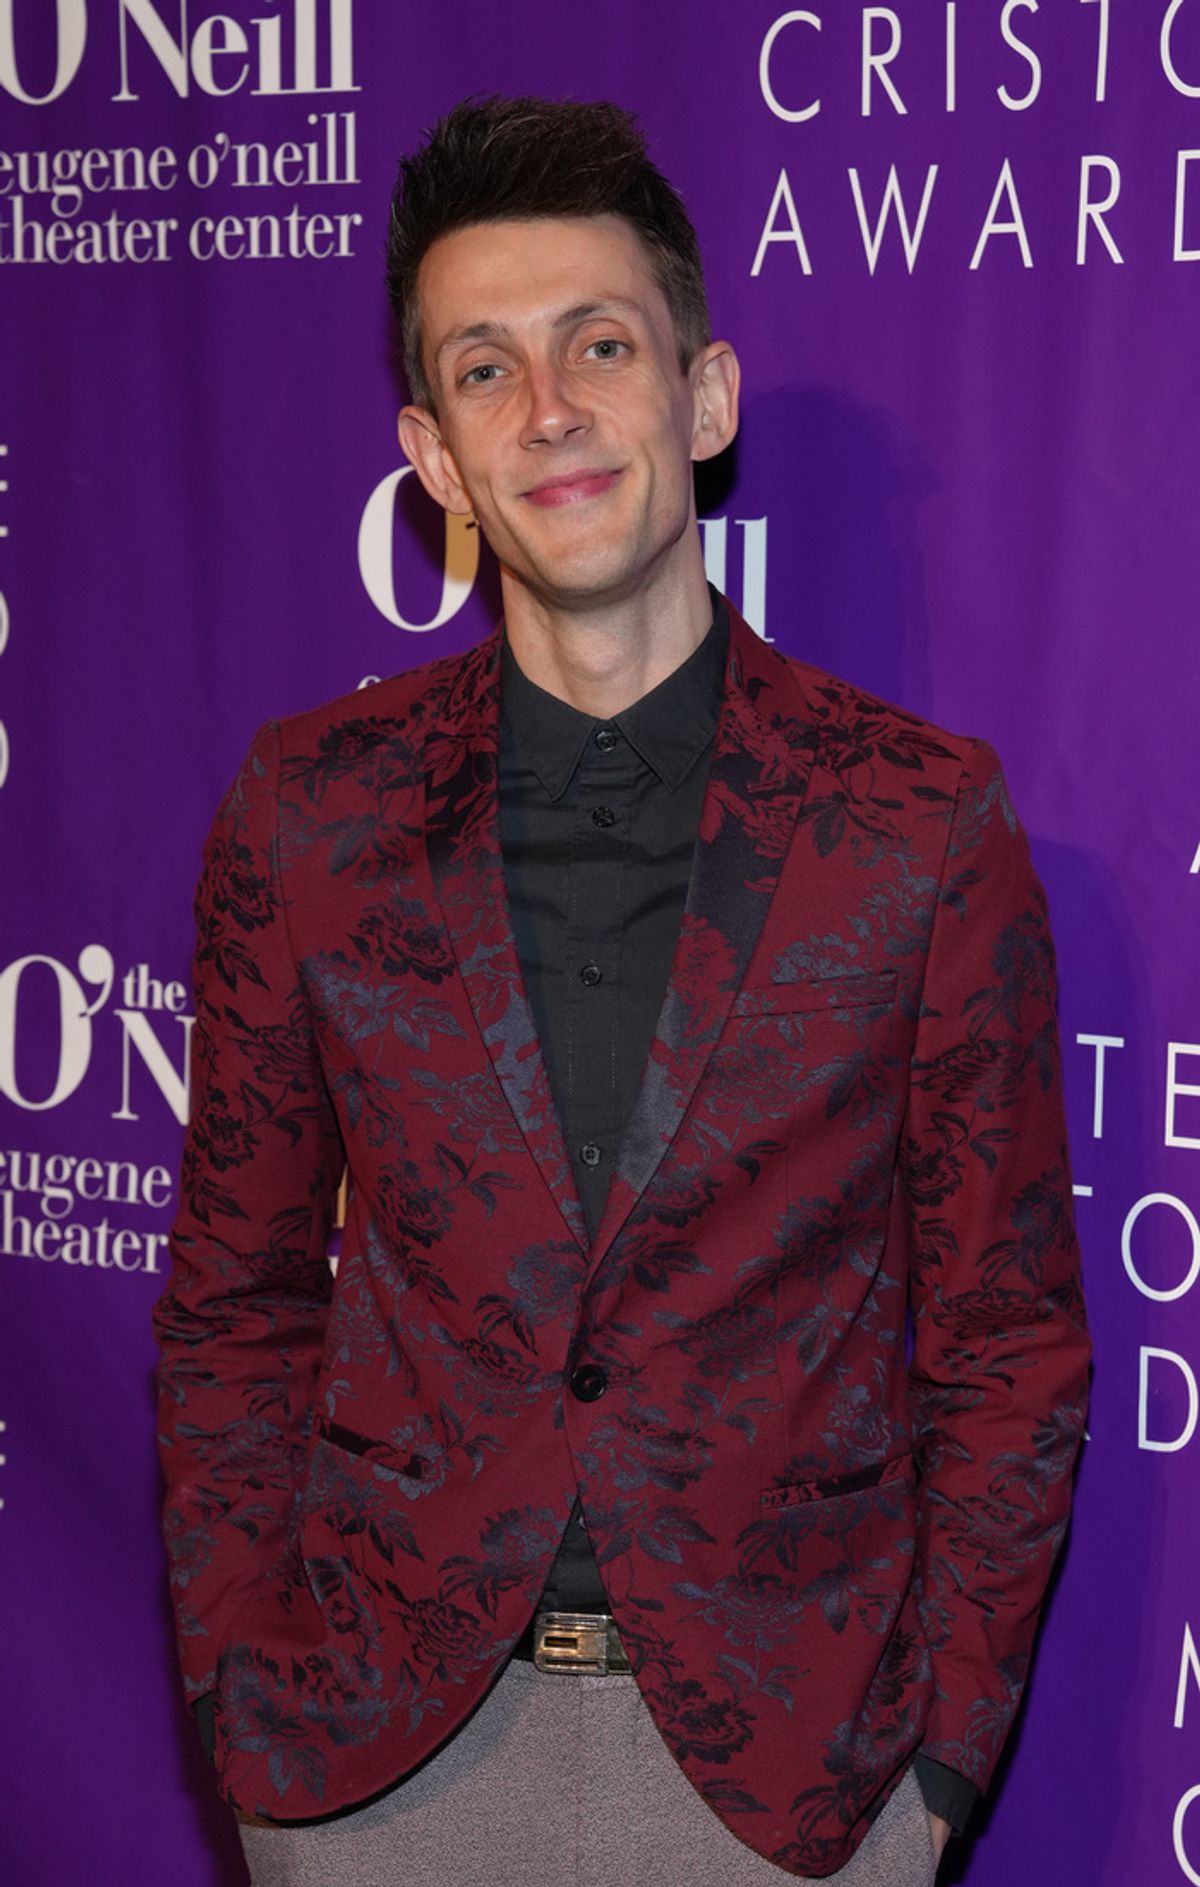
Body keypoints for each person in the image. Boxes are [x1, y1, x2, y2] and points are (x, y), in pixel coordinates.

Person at [154, 95, 1090, 1887]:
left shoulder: (918, 822)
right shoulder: (308, 814)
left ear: (704, 394)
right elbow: (235, 1307)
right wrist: (238, 1706)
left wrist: (939, 1772)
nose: (553, 410)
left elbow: (1007, 1340)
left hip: (786, 1785)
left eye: (599, 343)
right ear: (433, 456)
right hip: (374, 1769)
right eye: (486, 371)